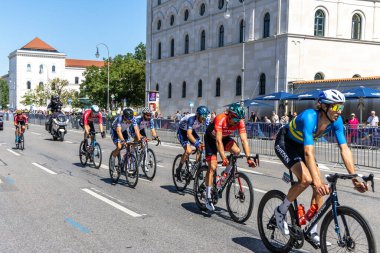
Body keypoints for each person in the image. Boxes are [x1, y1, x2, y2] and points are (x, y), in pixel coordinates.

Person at [273, 89, 368, 245]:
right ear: (324, 106)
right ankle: (280, 210)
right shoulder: (310, 117)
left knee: (320, 187)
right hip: (286, 143)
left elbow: (344, 149)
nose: (339, 112)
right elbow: (309, 153)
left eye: (341, 108)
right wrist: (316, 182)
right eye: (336, 107)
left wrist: (354, 178)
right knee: (307, 180)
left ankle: (312, 230)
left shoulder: (336, 122)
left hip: (302, 148)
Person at [203, 104, 257, 211]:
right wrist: (223, 157)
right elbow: (218, 141)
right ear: (230, 115)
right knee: (213, 167)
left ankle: (225, 174)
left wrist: (249, 158)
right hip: (211, 139)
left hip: (224, 137)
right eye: (235, 119)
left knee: (237, 151)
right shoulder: (220, 118)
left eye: (239, 119)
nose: (237, 122)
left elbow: (244, 140)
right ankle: (207, 197)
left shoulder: (239, 122)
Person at [175, 105, 210, 182]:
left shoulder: (205, 119)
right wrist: (197, 144)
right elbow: (188, 135)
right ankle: (179, 169)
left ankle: (197, 167)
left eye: (205, 117)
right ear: (197, 115)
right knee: (188, 151)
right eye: (202, 118)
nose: (203, 120)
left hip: (192, 131)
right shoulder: (191, 119)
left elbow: (208, 132)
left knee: (201, 148)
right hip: (182, 132)